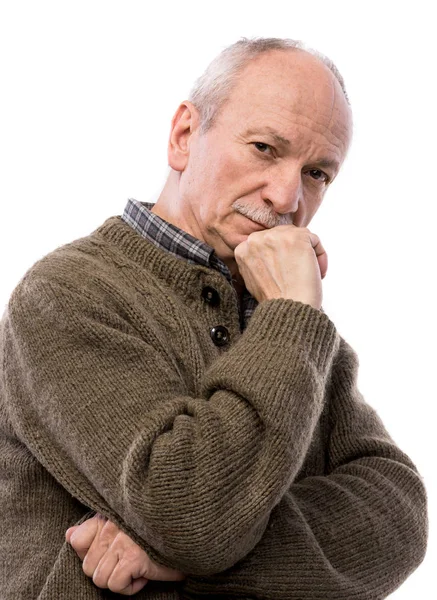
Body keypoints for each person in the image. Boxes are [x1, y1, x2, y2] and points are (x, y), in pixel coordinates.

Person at [0, 37, 428, 599]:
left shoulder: (290, 321)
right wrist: (191, 543)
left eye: (318, 173)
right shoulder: (69, 291)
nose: (286, 195)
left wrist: (182, 560)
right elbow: (189, 514)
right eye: (264, 148)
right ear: (183, 136)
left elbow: (401, 517)